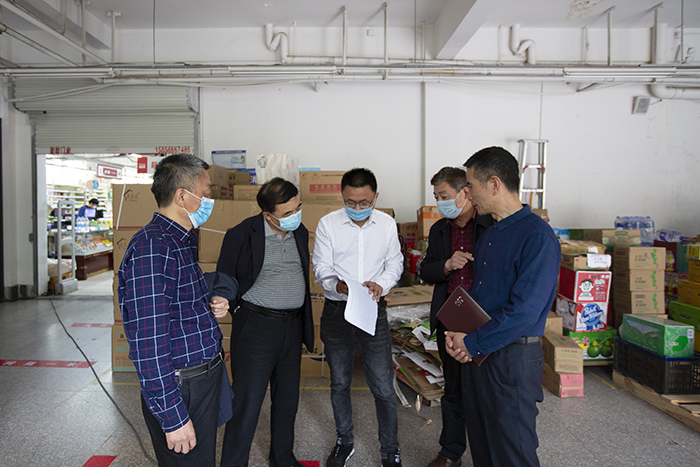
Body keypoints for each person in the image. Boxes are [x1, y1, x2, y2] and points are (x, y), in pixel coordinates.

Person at [444, 147, 561, 467]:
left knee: (512, 451)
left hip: (511, 360)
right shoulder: (491, 234)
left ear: (494, 184)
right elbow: (483, 298)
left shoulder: (537, 237)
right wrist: (460, 334)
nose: (467, 195)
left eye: (470, 186)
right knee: (482, 444)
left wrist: (471, 342)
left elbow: (524, 312)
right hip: (479, 354)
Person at [118, 154, 234, 466]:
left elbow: (182, 296)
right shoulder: (153, 248)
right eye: (206, 193)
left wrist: (217, 295)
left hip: (201, 379)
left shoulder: (177, 241)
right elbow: (148, 343)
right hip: (183, 388)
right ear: (182, 197)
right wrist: (173, 418)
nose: (209, 201)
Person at [216, 177, 314, 467]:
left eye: (298, 208)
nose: (295, 216)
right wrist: (233, 308)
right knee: (246, 402)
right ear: (268, 215)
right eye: (288, 213)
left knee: (287, 400)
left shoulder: (299, 232)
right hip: (256, 328)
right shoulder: (242, 234)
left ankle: (283, 459)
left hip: (291, 327)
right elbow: (225, 278)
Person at [313, 168, 404, 467]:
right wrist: (336, 285)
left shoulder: (387, 224)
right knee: (340, 382)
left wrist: (382, 284)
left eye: (364, 202)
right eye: (350, 202)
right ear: (342, 196)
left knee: (383, 386)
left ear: (375, 197)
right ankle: (345, 440)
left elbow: (395, 263)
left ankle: (390, 450)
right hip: (337, 310)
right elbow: (321, 266)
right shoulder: (328, 224)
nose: (357, 207)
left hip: (373, 308)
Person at [418, 167, 494, 467]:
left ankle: (490, 453)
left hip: (484, 320)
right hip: (450, 318)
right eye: (436, 197)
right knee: (453, 390)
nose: (440, 203)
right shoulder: (440, 229)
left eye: (444, 196)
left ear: (465, 192)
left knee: (486, 390)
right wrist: (447, 265)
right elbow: (426, 270)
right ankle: (450, 452)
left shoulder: (490, 224)